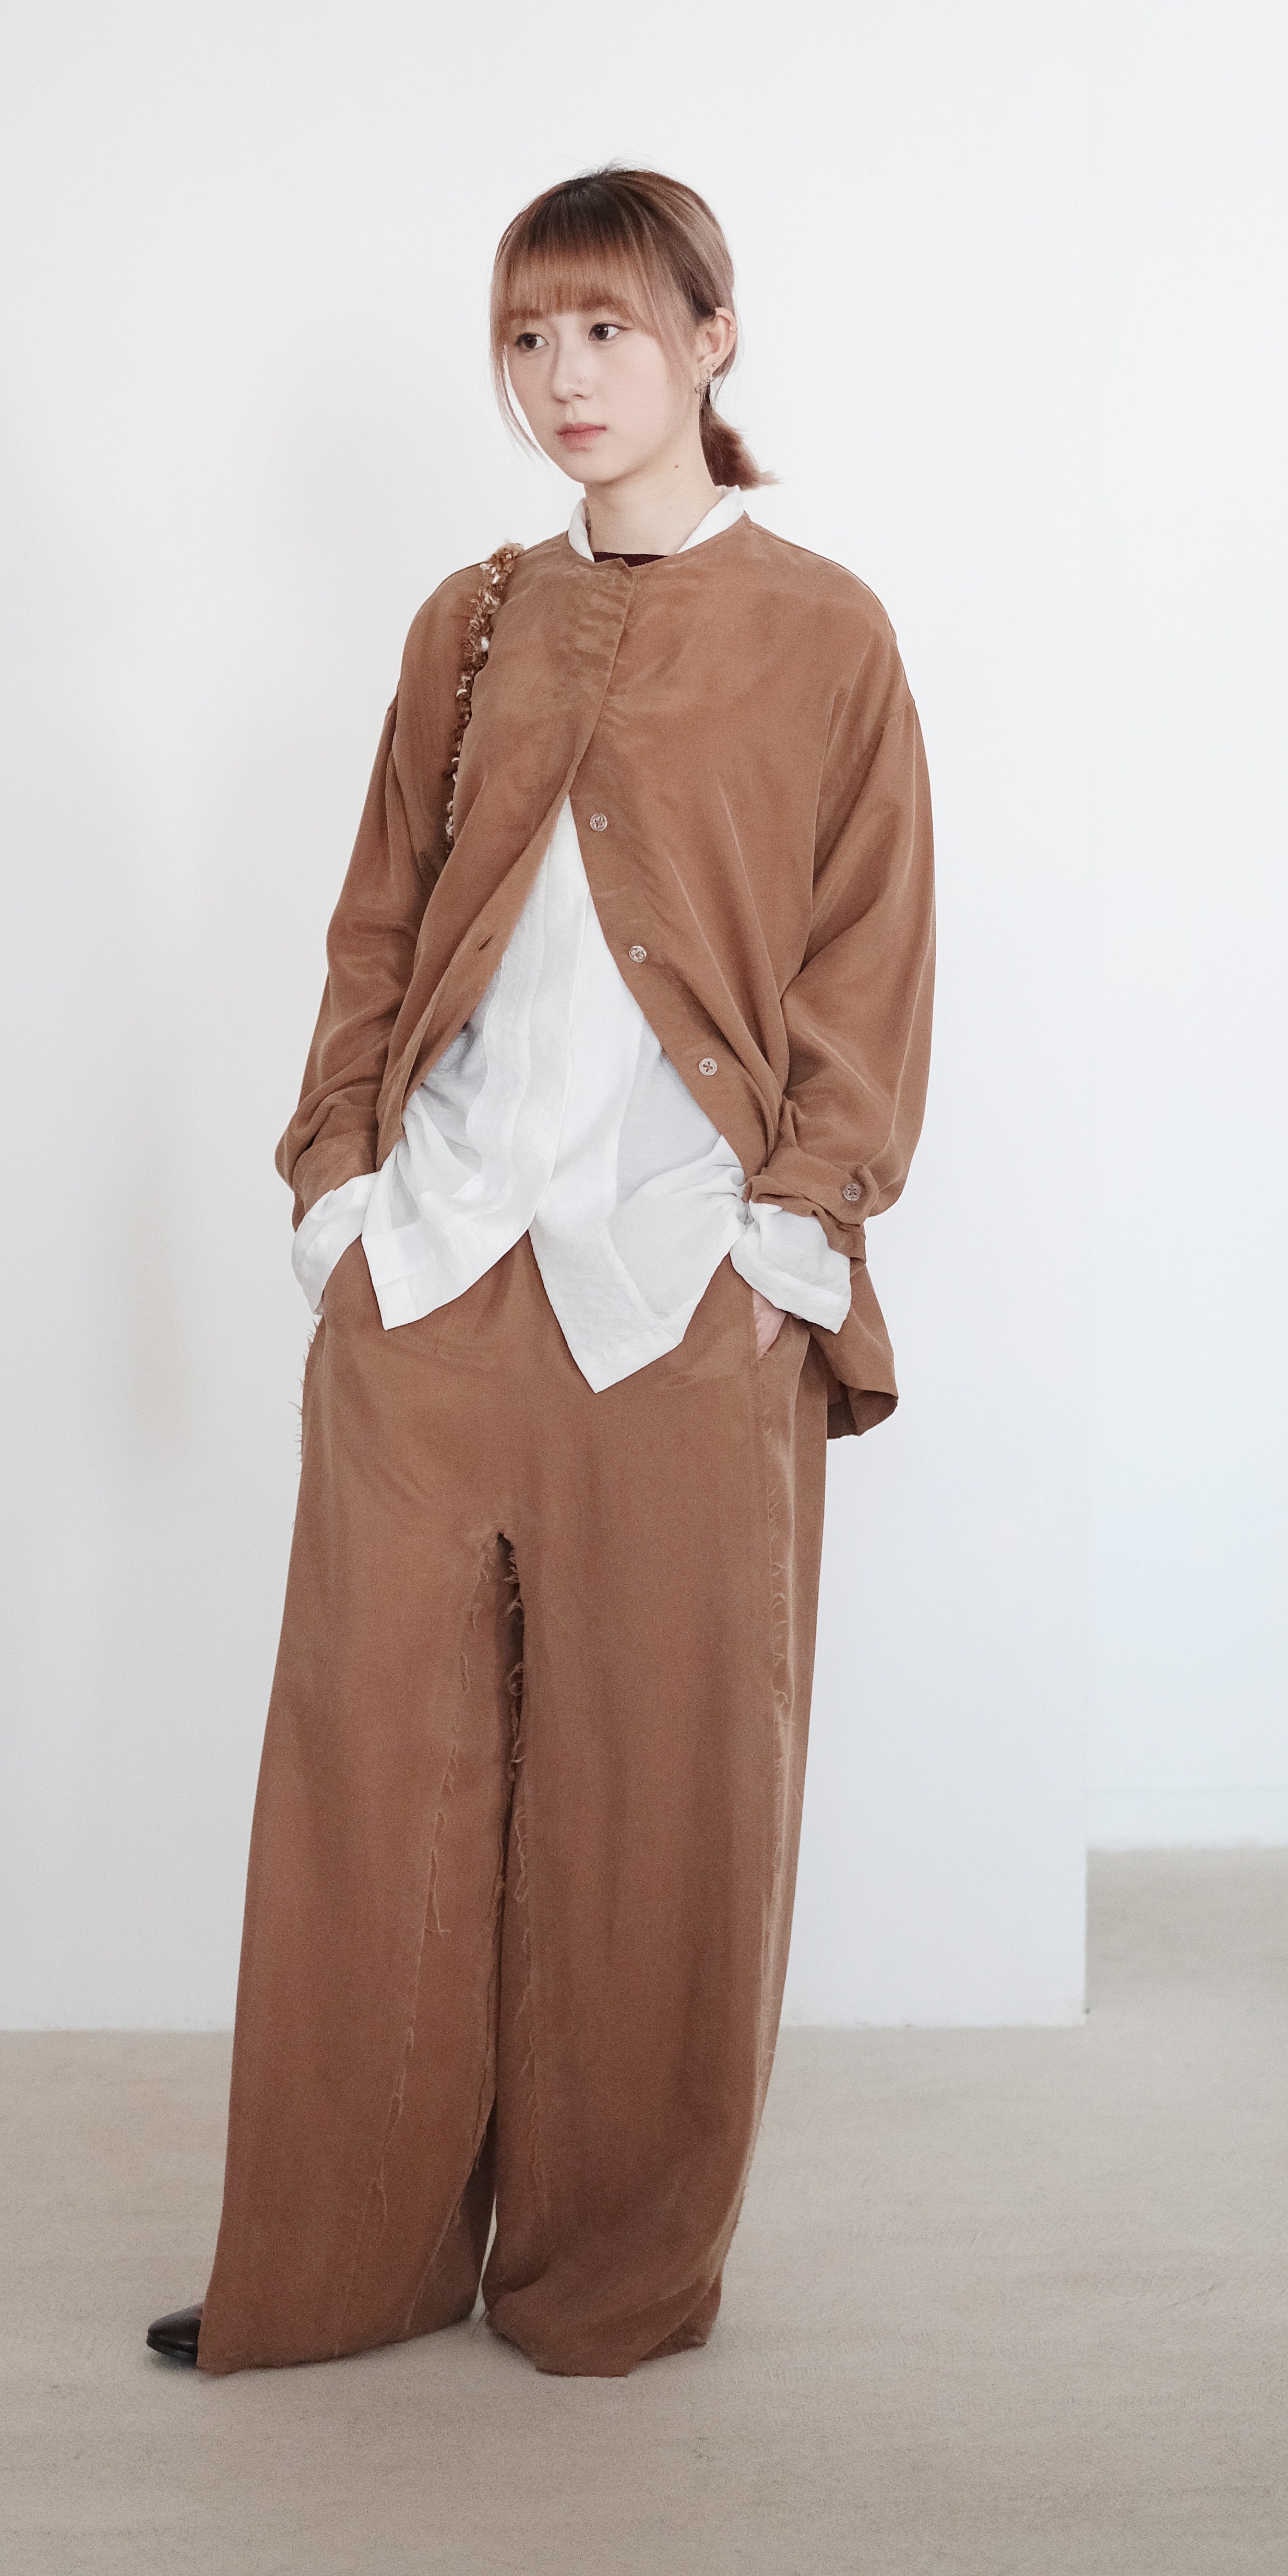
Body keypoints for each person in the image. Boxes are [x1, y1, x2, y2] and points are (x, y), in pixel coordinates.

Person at [148, 165, 935, 2380]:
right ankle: (344, 2262)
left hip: (685, 1294)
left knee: (659, 1804)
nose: (563, 377)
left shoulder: (826, 633)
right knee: (368, 1788)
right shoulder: (470, 621)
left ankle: (608, 2278)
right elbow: (378, 923)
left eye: (605, 328)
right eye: (525, 338)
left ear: (709, 337)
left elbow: (871, 955)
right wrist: (336, 1193)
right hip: (429, 1276)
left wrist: (791, 1237)